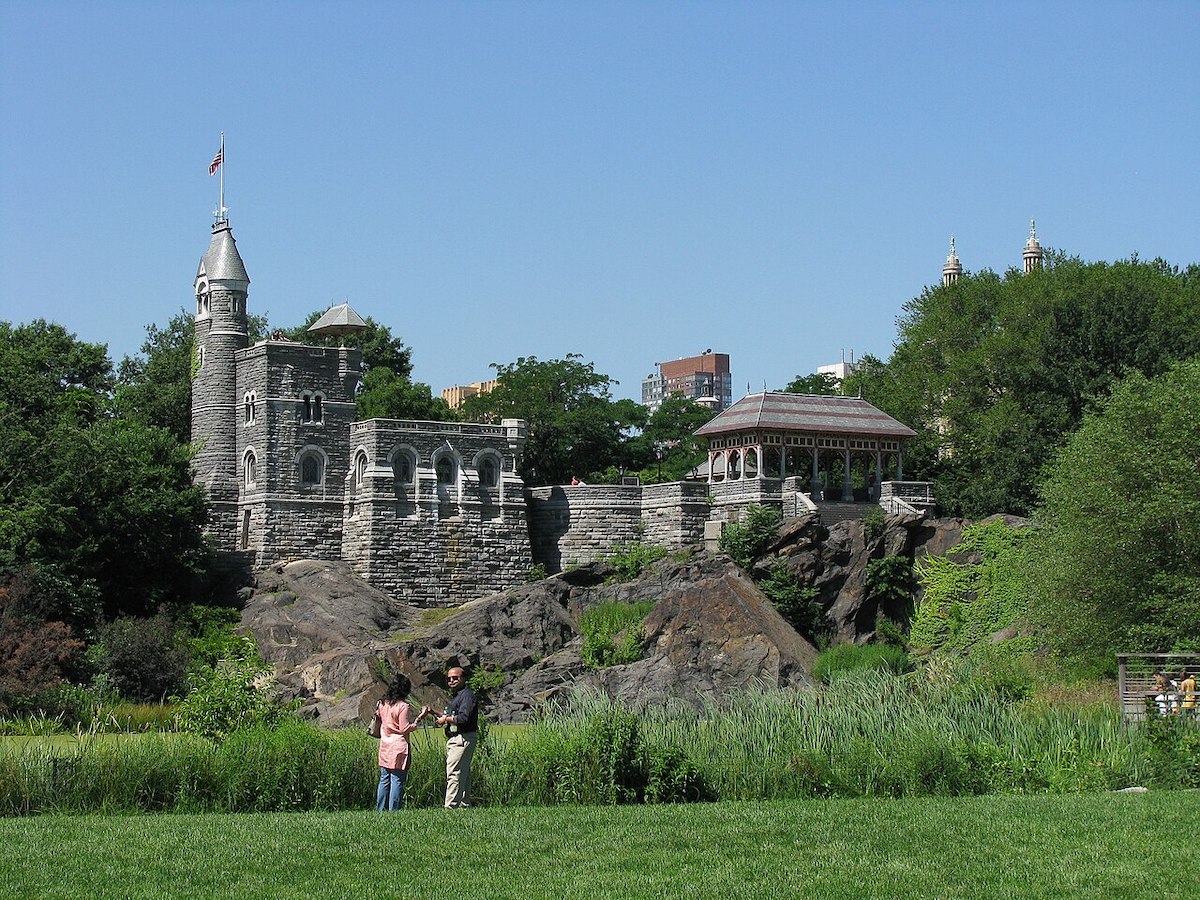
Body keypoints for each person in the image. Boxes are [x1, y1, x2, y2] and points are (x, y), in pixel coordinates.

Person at [375, 673, 430, 811]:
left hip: (385, 745)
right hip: (398, 747)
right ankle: (394, 811)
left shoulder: (382, 703)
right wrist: (418, 719)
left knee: (384, 779)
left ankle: (380, 809)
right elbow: (404, 728)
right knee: (397, 780)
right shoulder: (403, 706)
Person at [435, 665, 478, 809]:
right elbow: (453, 715)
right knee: (463, 773)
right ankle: (464, 805)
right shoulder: (458, 696)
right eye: (449, 679)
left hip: (462, 737)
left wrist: (445, 719)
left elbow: (463, 718)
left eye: (455, 678)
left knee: (453, 773)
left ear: (463, 678)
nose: (451, 681)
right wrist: (434, 712)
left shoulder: (467, 696)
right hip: (458, 737)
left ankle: (450, 807)